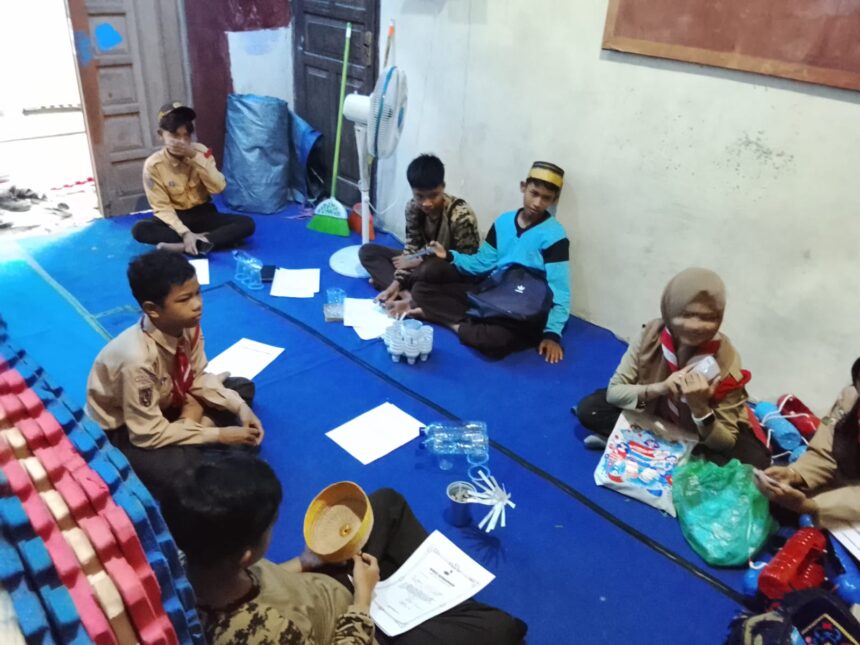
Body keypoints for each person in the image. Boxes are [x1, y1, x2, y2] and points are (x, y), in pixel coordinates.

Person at [161, 455, 528, 645]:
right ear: (245, 552)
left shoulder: (188, 558)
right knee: (502, 628)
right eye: (270, 526)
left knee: (385, 503)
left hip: (320, 591)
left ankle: (430, 604)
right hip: (354, 628)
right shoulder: (261, 633)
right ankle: (434, 609)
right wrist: (363, 600)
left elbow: (259, 576)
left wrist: (305, 562)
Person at [86, 250, 264, 500]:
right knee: (179, 471)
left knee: (242, 388)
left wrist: (240, 408)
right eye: (184, 299)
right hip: (128, 426)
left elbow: (197, 376)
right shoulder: (136, 359)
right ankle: (194, 428)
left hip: (166, 402)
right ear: (152, 309)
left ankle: (190, 428)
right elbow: (146, 433)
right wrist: (218, 434)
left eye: (198, 293)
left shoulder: (186, 325)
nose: (197, 304)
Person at [574, 267, 770, 468]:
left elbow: (725, 441)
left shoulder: (726, 361)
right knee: (591, 409)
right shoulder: (650, 336)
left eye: (709, 317)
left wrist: (700, 408)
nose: (696, 326)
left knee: (756, 461)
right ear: (669, 310)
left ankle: (634, 443)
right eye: (686, 314)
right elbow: (614, 393)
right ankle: (675, 456)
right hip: (651, 409)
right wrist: (661, 388)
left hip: (697, 431)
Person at [391, 161, 570, 363]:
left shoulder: (555, 236)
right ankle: (470, 322)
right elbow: (482, 263)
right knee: (422, 290)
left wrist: (552, 334)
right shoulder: (504, 222)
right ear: (523, 187)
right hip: (491, 291)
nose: (537, 203)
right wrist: (449, 256)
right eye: (534, 193)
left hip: (523, 304)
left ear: (554, 199)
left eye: (546, 198)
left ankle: (445, 320)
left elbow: (560, 290)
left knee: (495, 340)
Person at [132, 102, 255, 255]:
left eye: (186, 136)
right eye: (175, 136)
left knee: (246, 224)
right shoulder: (153, 165)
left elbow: (218, 187)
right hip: (175, 217)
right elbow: (162, 208)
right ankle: (206, 241)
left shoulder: (201, 152)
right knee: (140, 229)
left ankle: (186, 246)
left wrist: (194, 157)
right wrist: (185, 233)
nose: (182, 142)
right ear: (160, 135)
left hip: (203, 214)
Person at [358, 154, 480, 308]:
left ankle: (406, 291)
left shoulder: (460, 215)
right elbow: (411, 248)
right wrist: (396, 283)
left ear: (443, 187)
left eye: (433, 195)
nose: (426, 203)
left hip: (445, 270)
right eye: (419, 196)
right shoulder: (413, 208)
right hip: (421, 263)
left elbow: (470, 265)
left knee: (430, 269)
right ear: (412, 191)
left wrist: (420, 260)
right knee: (367, 252)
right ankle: (407, 295)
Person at [755, 358, 860, 528]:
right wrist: (796, 474)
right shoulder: (849, 398)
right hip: (844, 480)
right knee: (774, 502)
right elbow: (825, 448)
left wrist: (814, 506)